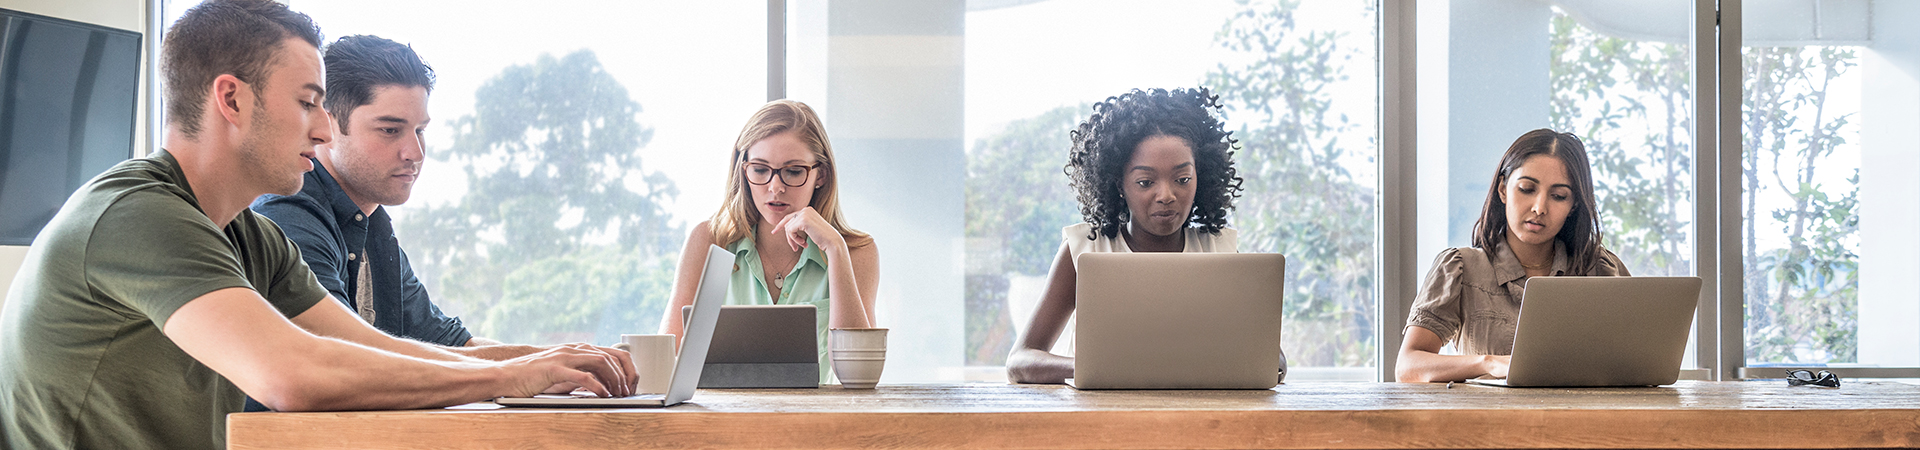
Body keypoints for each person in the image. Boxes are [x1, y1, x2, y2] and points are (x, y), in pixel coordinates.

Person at [0, 2, 633, 448]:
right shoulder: (136, 214)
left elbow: (371, 346)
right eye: (308, 103)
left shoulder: (251, 236)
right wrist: (509, 378)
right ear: (231, 98)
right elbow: (293, 374)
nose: (324, 128)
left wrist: (549, 362)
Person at [1006, 87, 1254, 385]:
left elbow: (1270, 358)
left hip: (1200, 417)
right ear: (1119, 184)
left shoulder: (1220, 250)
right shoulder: (1086, 249)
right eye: (1145, 181)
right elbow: (1021, 360)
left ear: (1201, 177)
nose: (1166, 195)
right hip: (1100, 421)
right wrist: (1099, 367)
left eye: (1183, 179)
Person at [662, 100, 879, 383]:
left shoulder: (855, 251)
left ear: (820, 175)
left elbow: (860, 378)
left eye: (793, 171)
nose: (775, 187)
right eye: (761, 170)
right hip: (721, 421)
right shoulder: (709, 240)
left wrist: (835, 250)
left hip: (817, 422)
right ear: (743, 171)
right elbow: (666, 357)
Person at [1394, 128, 1630, 383]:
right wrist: (1490, 362)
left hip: (1584, 419)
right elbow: (1408, 367)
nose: (1540, 208)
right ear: (1503, 189)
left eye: (1558, 196)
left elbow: (1640, 360)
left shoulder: (1601, 269)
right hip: (1487, 420)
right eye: (1527, 189)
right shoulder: (1460, 268)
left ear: (1573, 206)